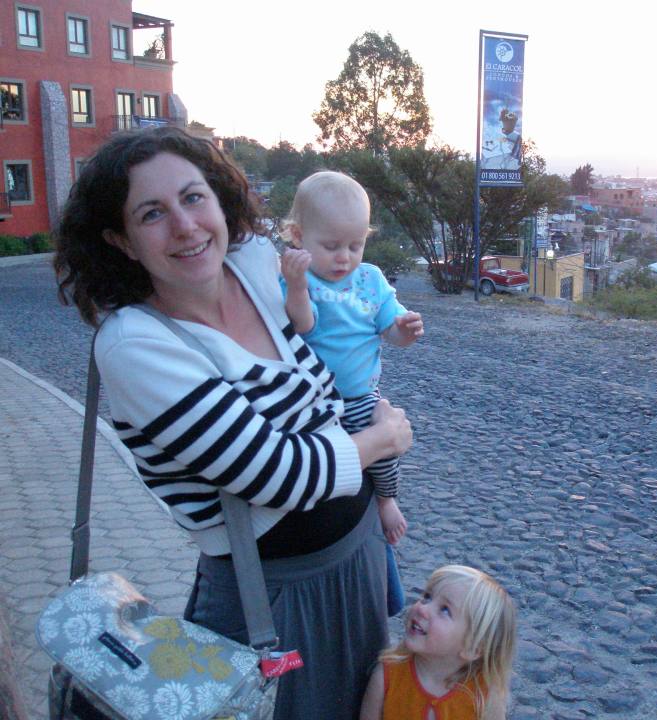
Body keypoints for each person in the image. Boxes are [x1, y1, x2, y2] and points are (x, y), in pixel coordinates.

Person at [53, 127, 412, 720]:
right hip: (272, 601)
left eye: (194, 198)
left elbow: (321, 384)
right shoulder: (137, 345)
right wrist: (381, 440)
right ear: (120, 239)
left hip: (360, 559)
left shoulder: (252, 265)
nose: (186, 225)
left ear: (219, 200)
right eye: (152, 214)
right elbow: (276, 477)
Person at [279, 171, 423, 614]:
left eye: (354, 246)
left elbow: (390, 331)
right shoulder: (298, 278)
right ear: (299, 237)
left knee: (381, 448)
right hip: (313, 399)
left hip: (359, 394)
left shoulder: (371, 280)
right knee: (330, 462)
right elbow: (301, 326)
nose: (344, 258)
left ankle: (387, 499)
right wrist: (299, 285)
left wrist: (404, 329)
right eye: (331, 246)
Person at [359, 565, 517, 720]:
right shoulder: (387, 676)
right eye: (427, 597)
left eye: (445, 610)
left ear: (472, 648)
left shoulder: (485, 694)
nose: (422, 609)